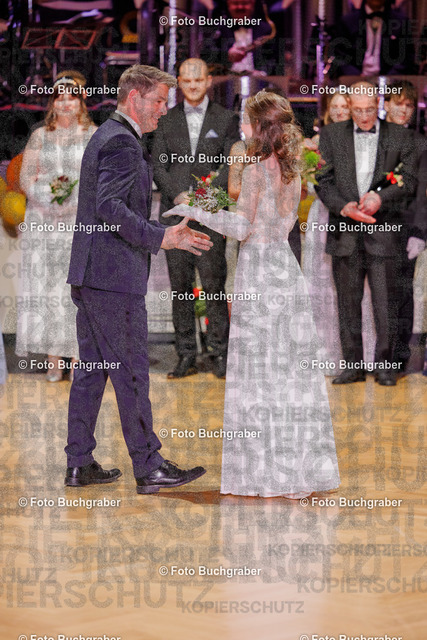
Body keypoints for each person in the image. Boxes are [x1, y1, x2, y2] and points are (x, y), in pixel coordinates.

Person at [164, 90, 340, 499]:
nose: (241, 127)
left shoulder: (258, 170)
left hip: (260, 271)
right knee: (288, 368)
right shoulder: (293, 171)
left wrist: (193, 211)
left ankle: (264, 471)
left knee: (260, 368)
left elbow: (242, 228)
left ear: (260, 127)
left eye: (246, 120)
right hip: (285, 269)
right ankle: (296, 467)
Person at [65, 65, 212, 494]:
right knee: (131, 372)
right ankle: (149, 466)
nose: (164, 110)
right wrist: (160, 236)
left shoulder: (108, 135)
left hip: (93, 274)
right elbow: (110, 207)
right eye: (159, 101)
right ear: (134, 98)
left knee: (92, 372)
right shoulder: (122, 142)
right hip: (113, 279)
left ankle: (79, 463)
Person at [316, 80, 417, 386]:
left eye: (369, 110)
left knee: (386, 304)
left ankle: (385, 366)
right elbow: (323, 180)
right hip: (344, 231)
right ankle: (353, 366)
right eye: (357, 110)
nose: (363, 116)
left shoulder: (400, 136)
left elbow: (409, 179)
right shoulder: (331, 135)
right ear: (349, 105)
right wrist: (344, 207)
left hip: (383, 231)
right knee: (347, 303)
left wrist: (380, 198)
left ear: (379, 104)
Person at [152, 58, 240, 379]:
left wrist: (205, 197)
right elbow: (158, 165)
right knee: (180, 287)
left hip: (212, 215)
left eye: (198, 80)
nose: (192, 86)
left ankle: (220, 353)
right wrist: (178, 196)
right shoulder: (164, 118)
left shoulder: (226, 118)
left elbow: (232, 164)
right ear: (178, 82)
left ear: (208, 81)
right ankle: (186, 353)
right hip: (175, 216)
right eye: (186, 81)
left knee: (214, 286)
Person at [17, 77, 97, 381]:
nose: (65, 103)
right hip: (44, 222)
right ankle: (53, 357)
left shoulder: (93, 134)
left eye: (71, 97)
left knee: (75, 290)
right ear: (53, 103)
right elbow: (26, 177)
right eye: (60, 98)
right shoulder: (40, 136)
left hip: (79, 221)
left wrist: (73, 202)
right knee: (48, 289)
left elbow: (99, 177)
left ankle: (77, 356)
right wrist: (48, 199)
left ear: (81, 102)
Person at [384, 80, 427, 372]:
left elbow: (423, 192)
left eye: (409, 105)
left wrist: (419, 232)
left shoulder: (419, 143)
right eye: (398, 103)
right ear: (386, 104)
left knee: (401, 293)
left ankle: (398, 356)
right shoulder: (370, 137)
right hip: (369, 225)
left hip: (405, 227)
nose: (403, 110)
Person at [329, 0, 416, 78]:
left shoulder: (401, 22)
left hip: (390, 81)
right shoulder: (348, 21)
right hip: (355, 81)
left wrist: (388, 78)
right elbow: (339, 55)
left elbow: (406, 57)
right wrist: (356, 76)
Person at [200, 0, 284, 76]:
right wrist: (226, 56)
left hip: (259, 83)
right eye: (235, 3)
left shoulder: (266, 30)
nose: (240, 7)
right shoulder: (219, 28)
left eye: (244, 3)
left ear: (252, 4)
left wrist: (262, 73)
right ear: (228, 4)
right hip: (225, 82)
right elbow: (205, 56)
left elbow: (276, 61)